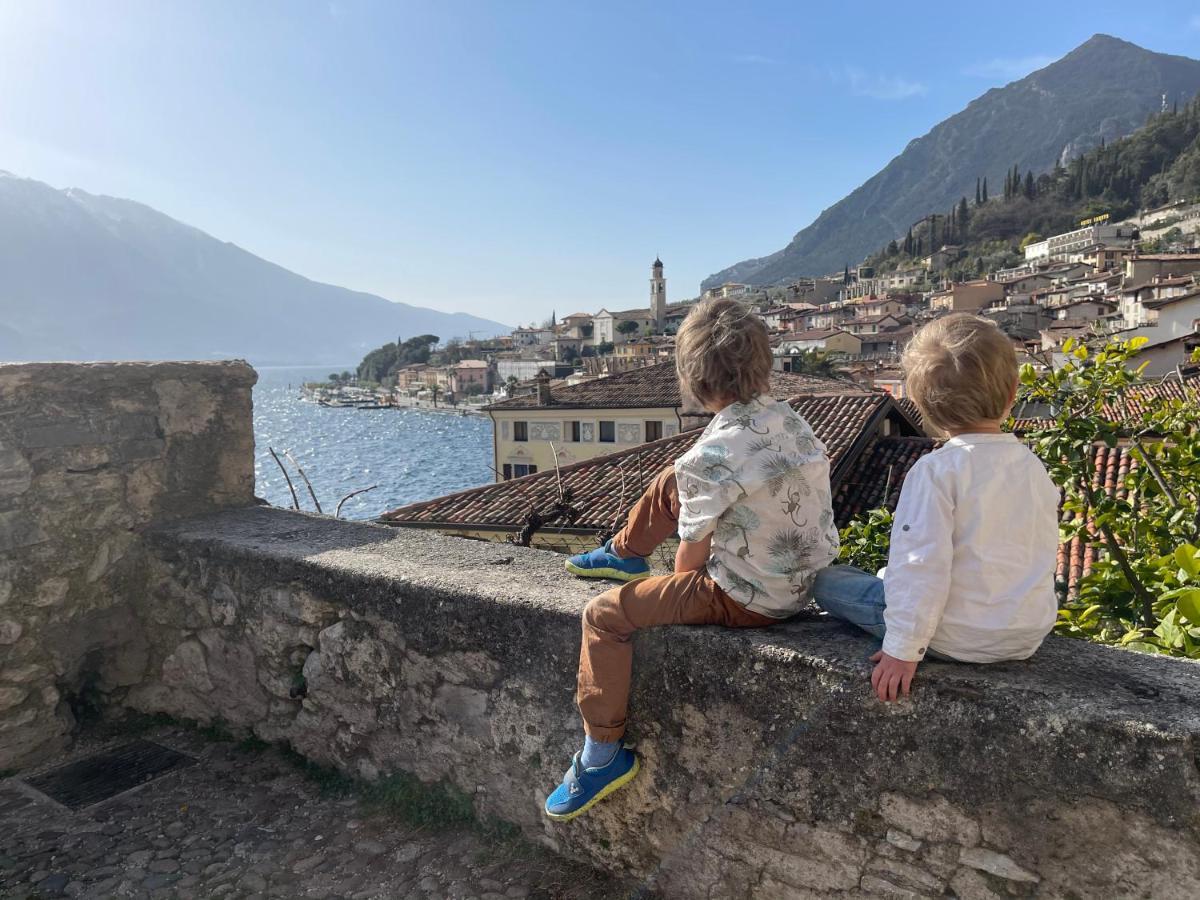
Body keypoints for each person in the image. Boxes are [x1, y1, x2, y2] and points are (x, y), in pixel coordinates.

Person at [543, 298, 840, 820]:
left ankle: (600, 755)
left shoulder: (712, 453)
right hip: (805, 581)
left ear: (695, 378)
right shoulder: (790, 420)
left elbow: (689, 561)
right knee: (672, 480)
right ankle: (625, 553)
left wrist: (671, 593)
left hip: (748, 599)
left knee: (602, 616)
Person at [813, 313, 1059, 703]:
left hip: (954, 636)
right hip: (1024, 635)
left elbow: (921, 565)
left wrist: (902, 650)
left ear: (923, 406)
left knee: (828, 581)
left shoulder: (936, 471)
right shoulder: (1032, 467)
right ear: (1013, 392)